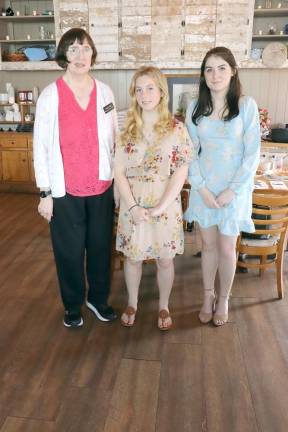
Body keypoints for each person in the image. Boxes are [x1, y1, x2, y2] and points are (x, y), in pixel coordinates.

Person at [33, 28, 118, 328]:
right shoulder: (50, 95)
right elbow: (40, 146)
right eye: (73, 49)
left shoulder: (105, 92)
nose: (80, 55)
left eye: (85, 48)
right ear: (64, 56)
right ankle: (72, 304)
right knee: (68, 252)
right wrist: (45, 193)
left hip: (101, 186)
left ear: (93, 53)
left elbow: (114, 141)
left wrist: (117, 184)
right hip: (64, 191)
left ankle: (98, 299)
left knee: (99, 248)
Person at [185, 47, 260, 326]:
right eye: (208, 69)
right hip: (204, 187)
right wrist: (201, 187)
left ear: (233, 71)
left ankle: (224, 298)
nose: (215, 75)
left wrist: (234, 189)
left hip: (234, 189)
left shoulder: (246, 105)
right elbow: (189, 152)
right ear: (203, 75)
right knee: (208, 246)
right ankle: (207, 295)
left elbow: (252, 153)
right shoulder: (195, 107)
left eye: (221, 68)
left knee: (227, 248)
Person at [114, 66, 193, 330]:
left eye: (150, 88)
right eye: (139, 89)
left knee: (165, 259)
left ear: (161, 91)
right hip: (132, 204)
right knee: (133, 258)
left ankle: (163, 304)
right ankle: (133, 301)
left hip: (165, 204)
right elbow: (118, 172)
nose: (144, 94)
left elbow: (181, 170)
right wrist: (134, 207)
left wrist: (160, 207)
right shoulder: (126, 128)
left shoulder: (176, 128)